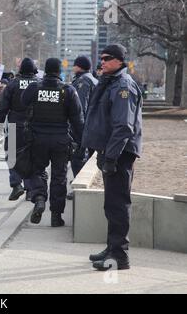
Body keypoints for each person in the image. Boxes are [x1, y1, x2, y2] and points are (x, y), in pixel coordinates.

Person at [82, 44, 142, 271]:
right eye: (102, 58)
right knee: (111, 205)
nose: (102, 62)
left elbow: (123, 127)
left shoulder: (123, 86)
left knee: (117, 205)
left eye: (107, 58)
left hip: (120, 154)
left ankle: (119, 256)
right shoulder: (112, 82)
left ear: (119, 61)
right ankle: (112, 248)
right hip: (112, 152)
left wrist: (111, 156)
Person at [21, 58, 84, 227]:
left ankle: (40, 198)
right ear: (59, 71)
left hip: (37, 139)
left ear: (45, 70)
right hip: (60, 140)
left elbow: (23, 102)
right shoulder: (68, 90)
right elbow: (77, 119)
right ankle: (56, 216)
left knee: (37, 171)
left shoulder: (35, 87)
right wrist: (81, 141)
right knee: (59, 177)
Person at [0, 57, 42, 202]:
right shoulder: (39, 84)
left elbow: (3, 107)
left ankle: (16, 184)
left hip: (14, 124)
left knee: (11, 155)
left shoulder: (13, 84)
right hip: (34, 126)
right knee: (30, 157)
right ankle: (30, 189)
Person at [67, 56, 99, 199]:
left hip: (83, 127)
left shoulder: (83, 81)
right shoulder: (92, 79)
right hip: (91, 126)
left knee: (78, 157)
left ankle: (78, 192)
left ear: (79, 66)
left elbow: (79, 107)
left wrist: (78, 130)